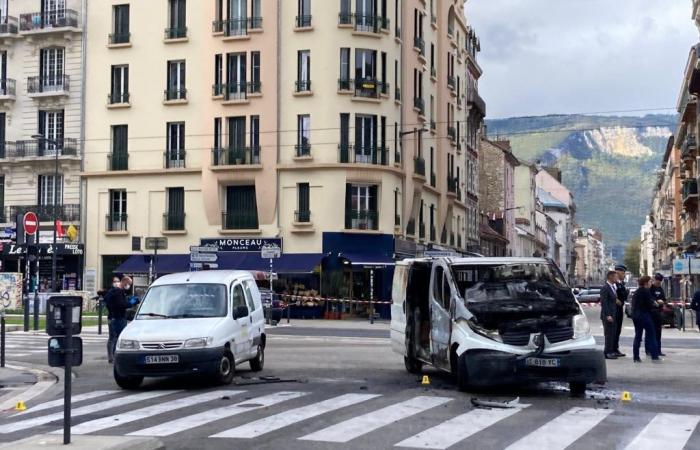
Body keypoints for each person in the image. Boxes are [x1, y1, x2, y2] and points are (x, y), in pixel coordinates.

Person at [104, 276, 136, 363]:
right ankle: (114, 356)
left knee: (112, 337)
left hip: (111, 317)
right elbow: (121, 305)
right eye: (129, 284)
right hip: (118, 317)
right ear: (125, 283)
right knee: (118, 338)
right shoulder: (119, 292)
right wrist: (130, 303)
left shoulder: (113, 291)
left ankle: (111, 356)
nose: (129, 286)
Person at [631, 276, 661, 363]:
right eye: (650, 282)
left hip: (636, 316)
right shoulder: (646, 291)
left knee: (638, 336)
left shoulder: (636, 292)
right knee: (652, 335)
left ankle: (636, 357)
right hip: (644, 315)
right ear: (645, 283)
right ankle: (655, 356)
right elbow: (650, 304)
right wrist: (656, 304)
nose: (651, 283)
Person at [600, 271, 619, 360]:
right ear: (610, 277)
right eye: (615, 277)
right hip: (608, 315)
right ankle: (607, 352)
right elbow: (604, 303)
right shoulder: (605, 288)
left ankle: (611, 351)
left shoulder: (612, 287)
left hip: (613, 314)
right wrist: (608, 315)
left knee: (612, 334)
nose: (617, 278)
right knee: (608, 334)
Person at [648, 273, 667, 357]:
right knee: (650, 333)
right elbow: (649, 299)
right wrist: (656, 301)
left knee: (658, 333)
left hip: (659, 312)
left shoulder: (660, 289)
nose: (658, 283)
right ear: (654, 280)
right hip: (651, 313)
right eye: (657, 281)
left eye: (659, 282)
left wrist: (662, 301)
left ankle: (658, 350)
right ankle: (648, 350)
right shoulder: (650, 288)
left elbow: (664, 298)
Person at [612, 265, 628, 357]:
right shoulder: (614, 284)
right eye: (623, 273)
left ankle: (615, 348)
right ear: (617, 273)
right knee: (613, 331)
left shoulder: (621, 284)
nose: (624, 275)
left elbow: (623, 296)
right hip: (615, 310)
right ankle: (612, 349)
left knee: (618, 330)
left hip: (619, 309)